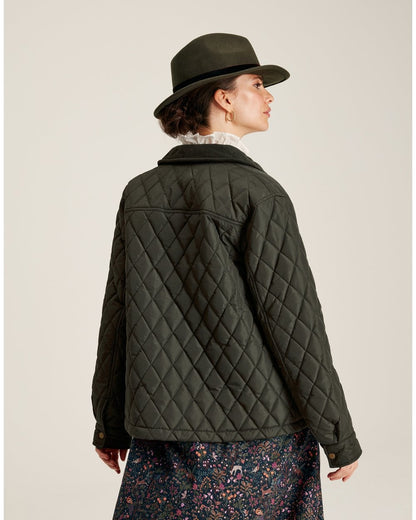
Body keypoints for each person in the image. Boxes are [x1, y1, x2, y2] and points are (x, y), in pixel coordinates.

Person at [91, 32, 362, 519]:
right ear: (224, 99)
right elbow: (295, 327)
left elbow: (118, 315)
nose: (269, 96)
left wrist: (109, 424)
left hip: (162, 433)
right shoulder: (259, 193)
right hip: (259, 436)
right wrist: (338, 435)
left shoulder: (140, 193)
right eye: (256, 85)